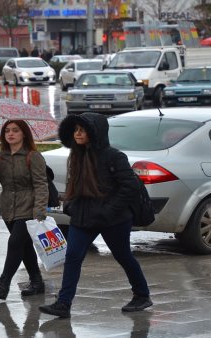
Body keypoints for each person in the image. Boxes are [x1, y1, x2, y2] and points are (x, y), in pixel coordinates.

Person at [39, 112, 152, 318]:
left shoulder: (114, 157)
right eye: (75, 130)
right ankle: (63, 304)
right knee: (73, 256)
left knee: (123, 256)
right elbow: (73, 184)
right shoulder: (77, 155)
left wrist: (109, 210)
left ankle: (142, 295)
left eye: (82, 130)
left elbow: (129, 188)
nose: (78, 134)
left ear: (95, 132)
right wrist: (71, 204)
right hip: (83, 216)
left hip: (114, 219)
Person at [0, 119, 49, 300]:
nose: (10, 134)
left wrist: (40, 210)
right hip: (7, 208)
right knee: (24, 246)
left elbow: (41, 185)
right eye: (7, 131)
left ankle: (3, 283)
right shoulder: (0, 156)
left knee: (14, 243)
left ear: (24, 134)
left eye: (15, 131)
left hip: (28, 208)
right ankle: (37, 282)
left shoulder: (33, 156)